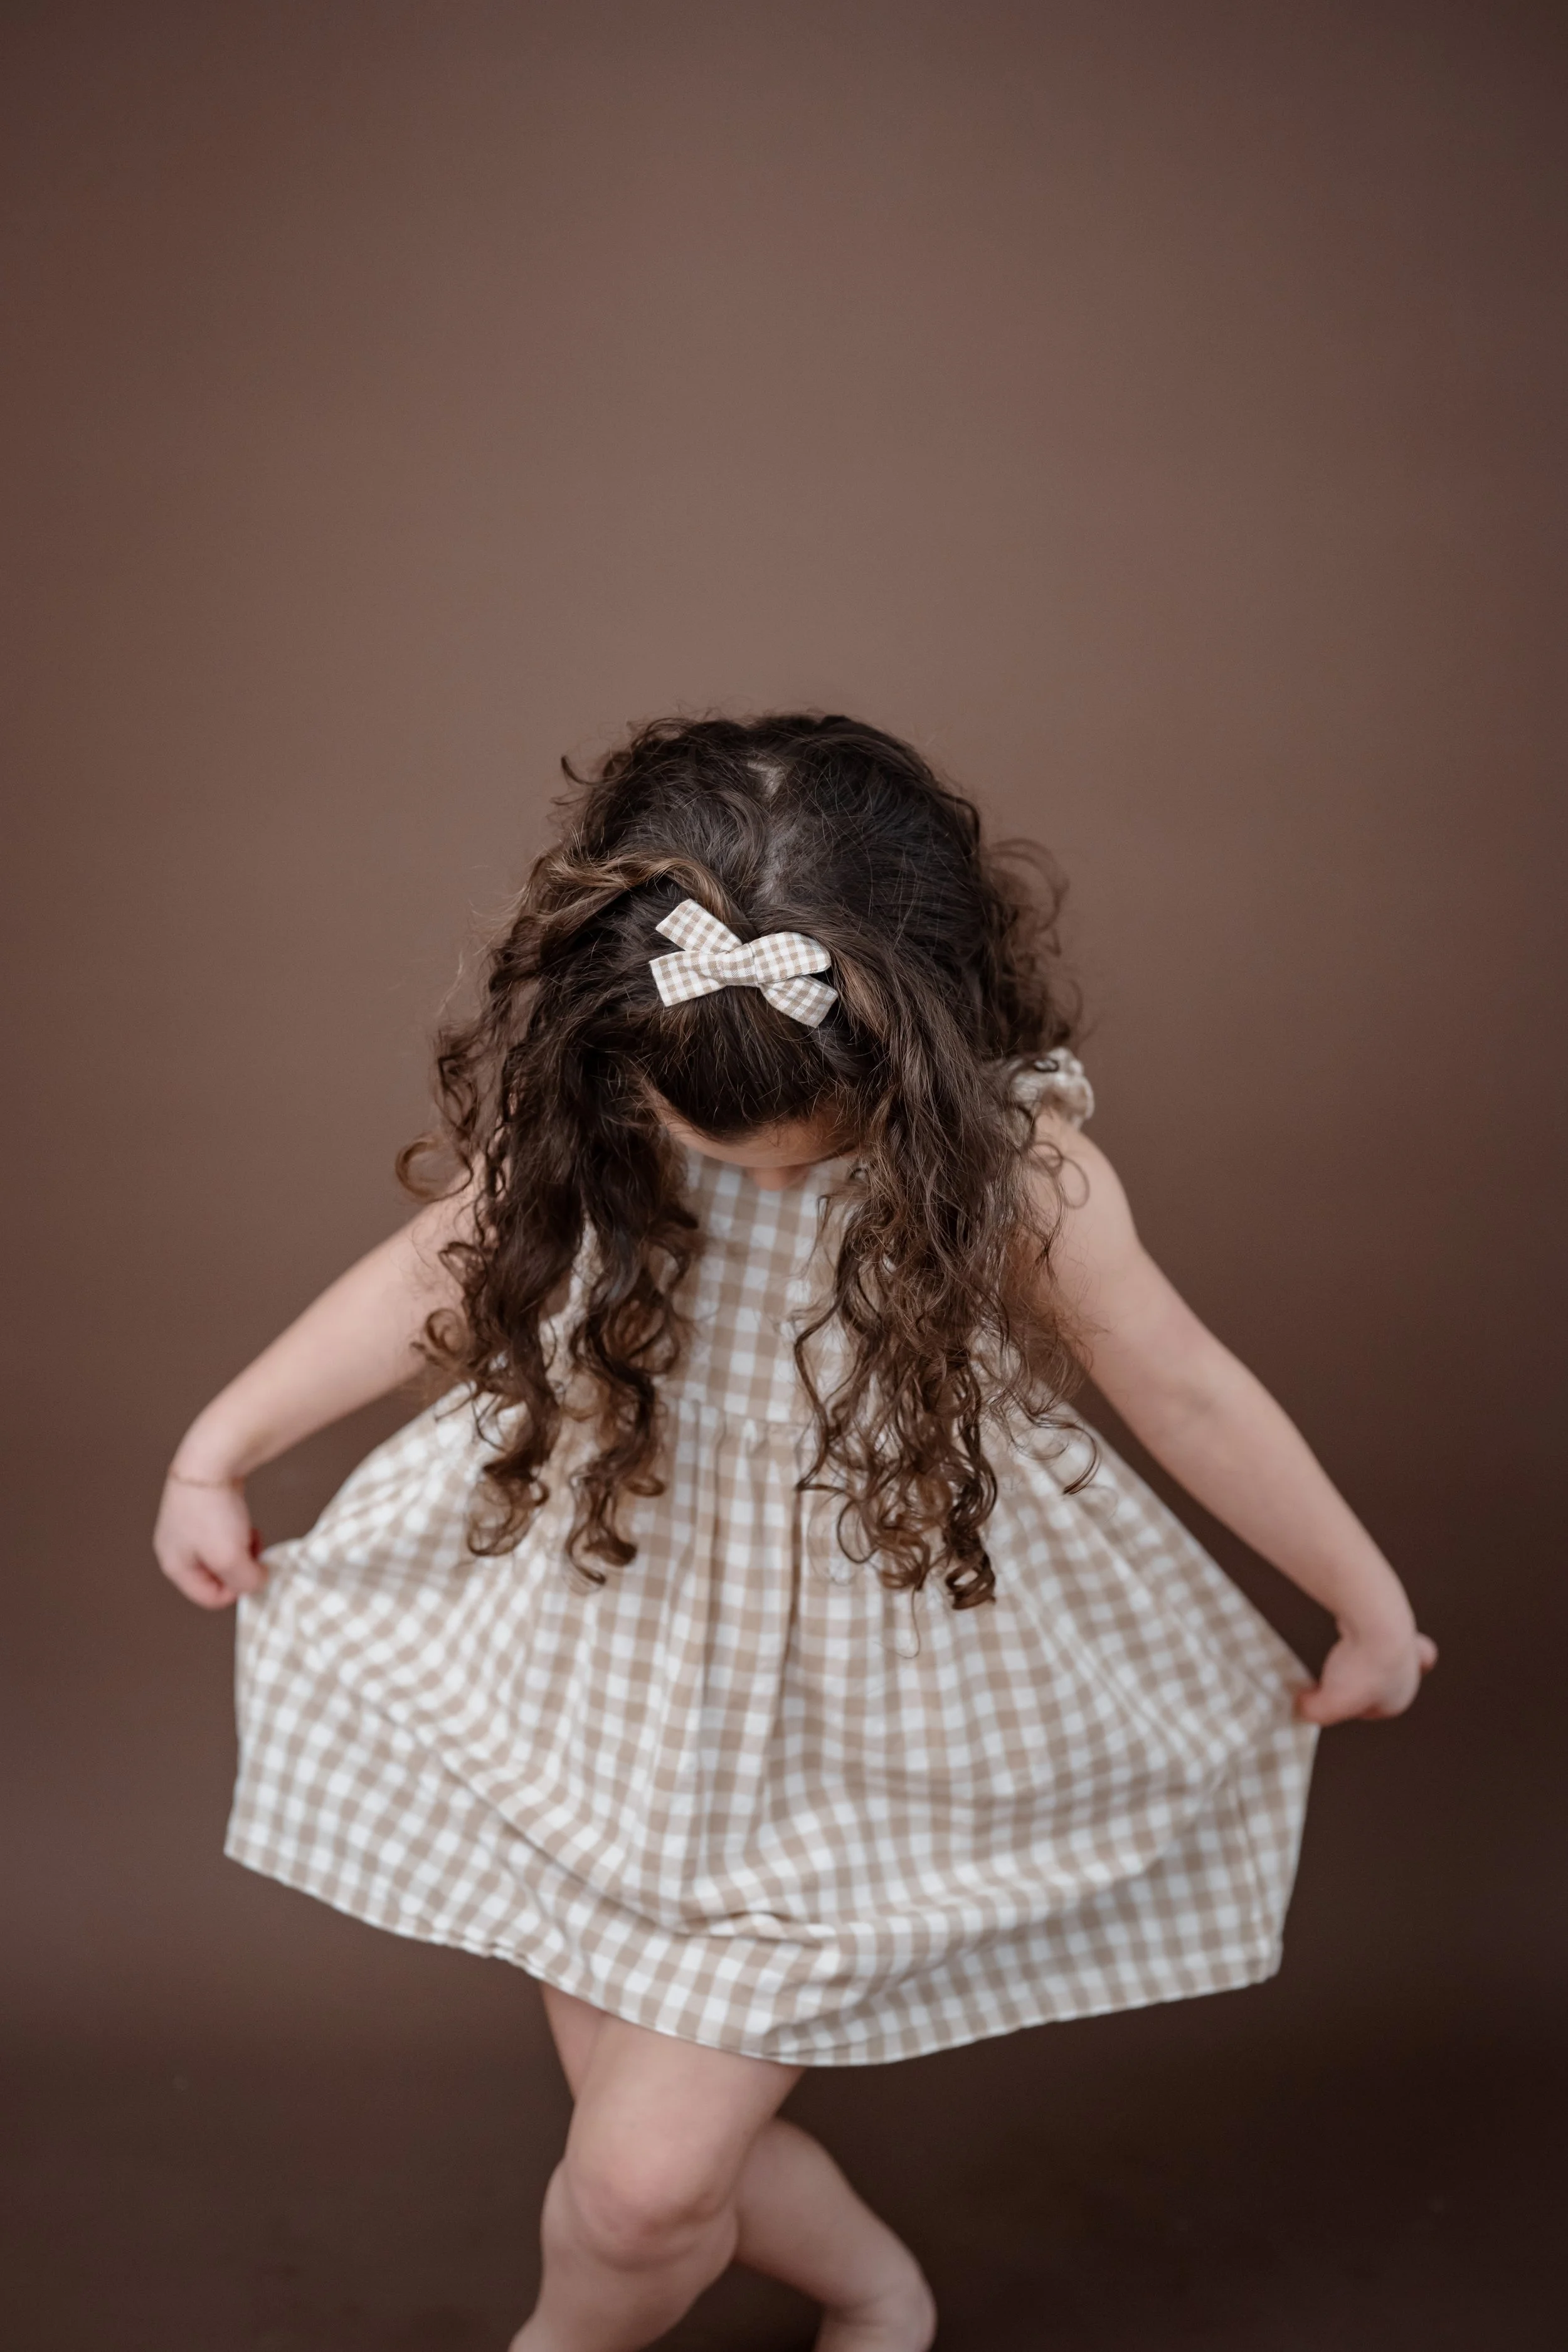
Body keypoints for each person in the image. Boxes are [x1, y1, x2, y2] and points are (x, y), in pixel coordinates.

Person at [154, 713, 1435, 2352]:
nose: (738, 1177)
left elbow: (1178, 1384)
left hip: (846, 1711)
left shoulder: (1011, 1157)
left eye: (792, 1154)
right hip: (596, 1652)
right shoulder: (614, 1073)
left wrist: (1363, 1600)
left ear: (915, 1048)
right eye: (704, 1151)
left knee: (630, 2186)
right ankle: (871, 2281)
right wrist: (221, 1444)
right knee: (660, 2164)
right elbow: (443, 1270)